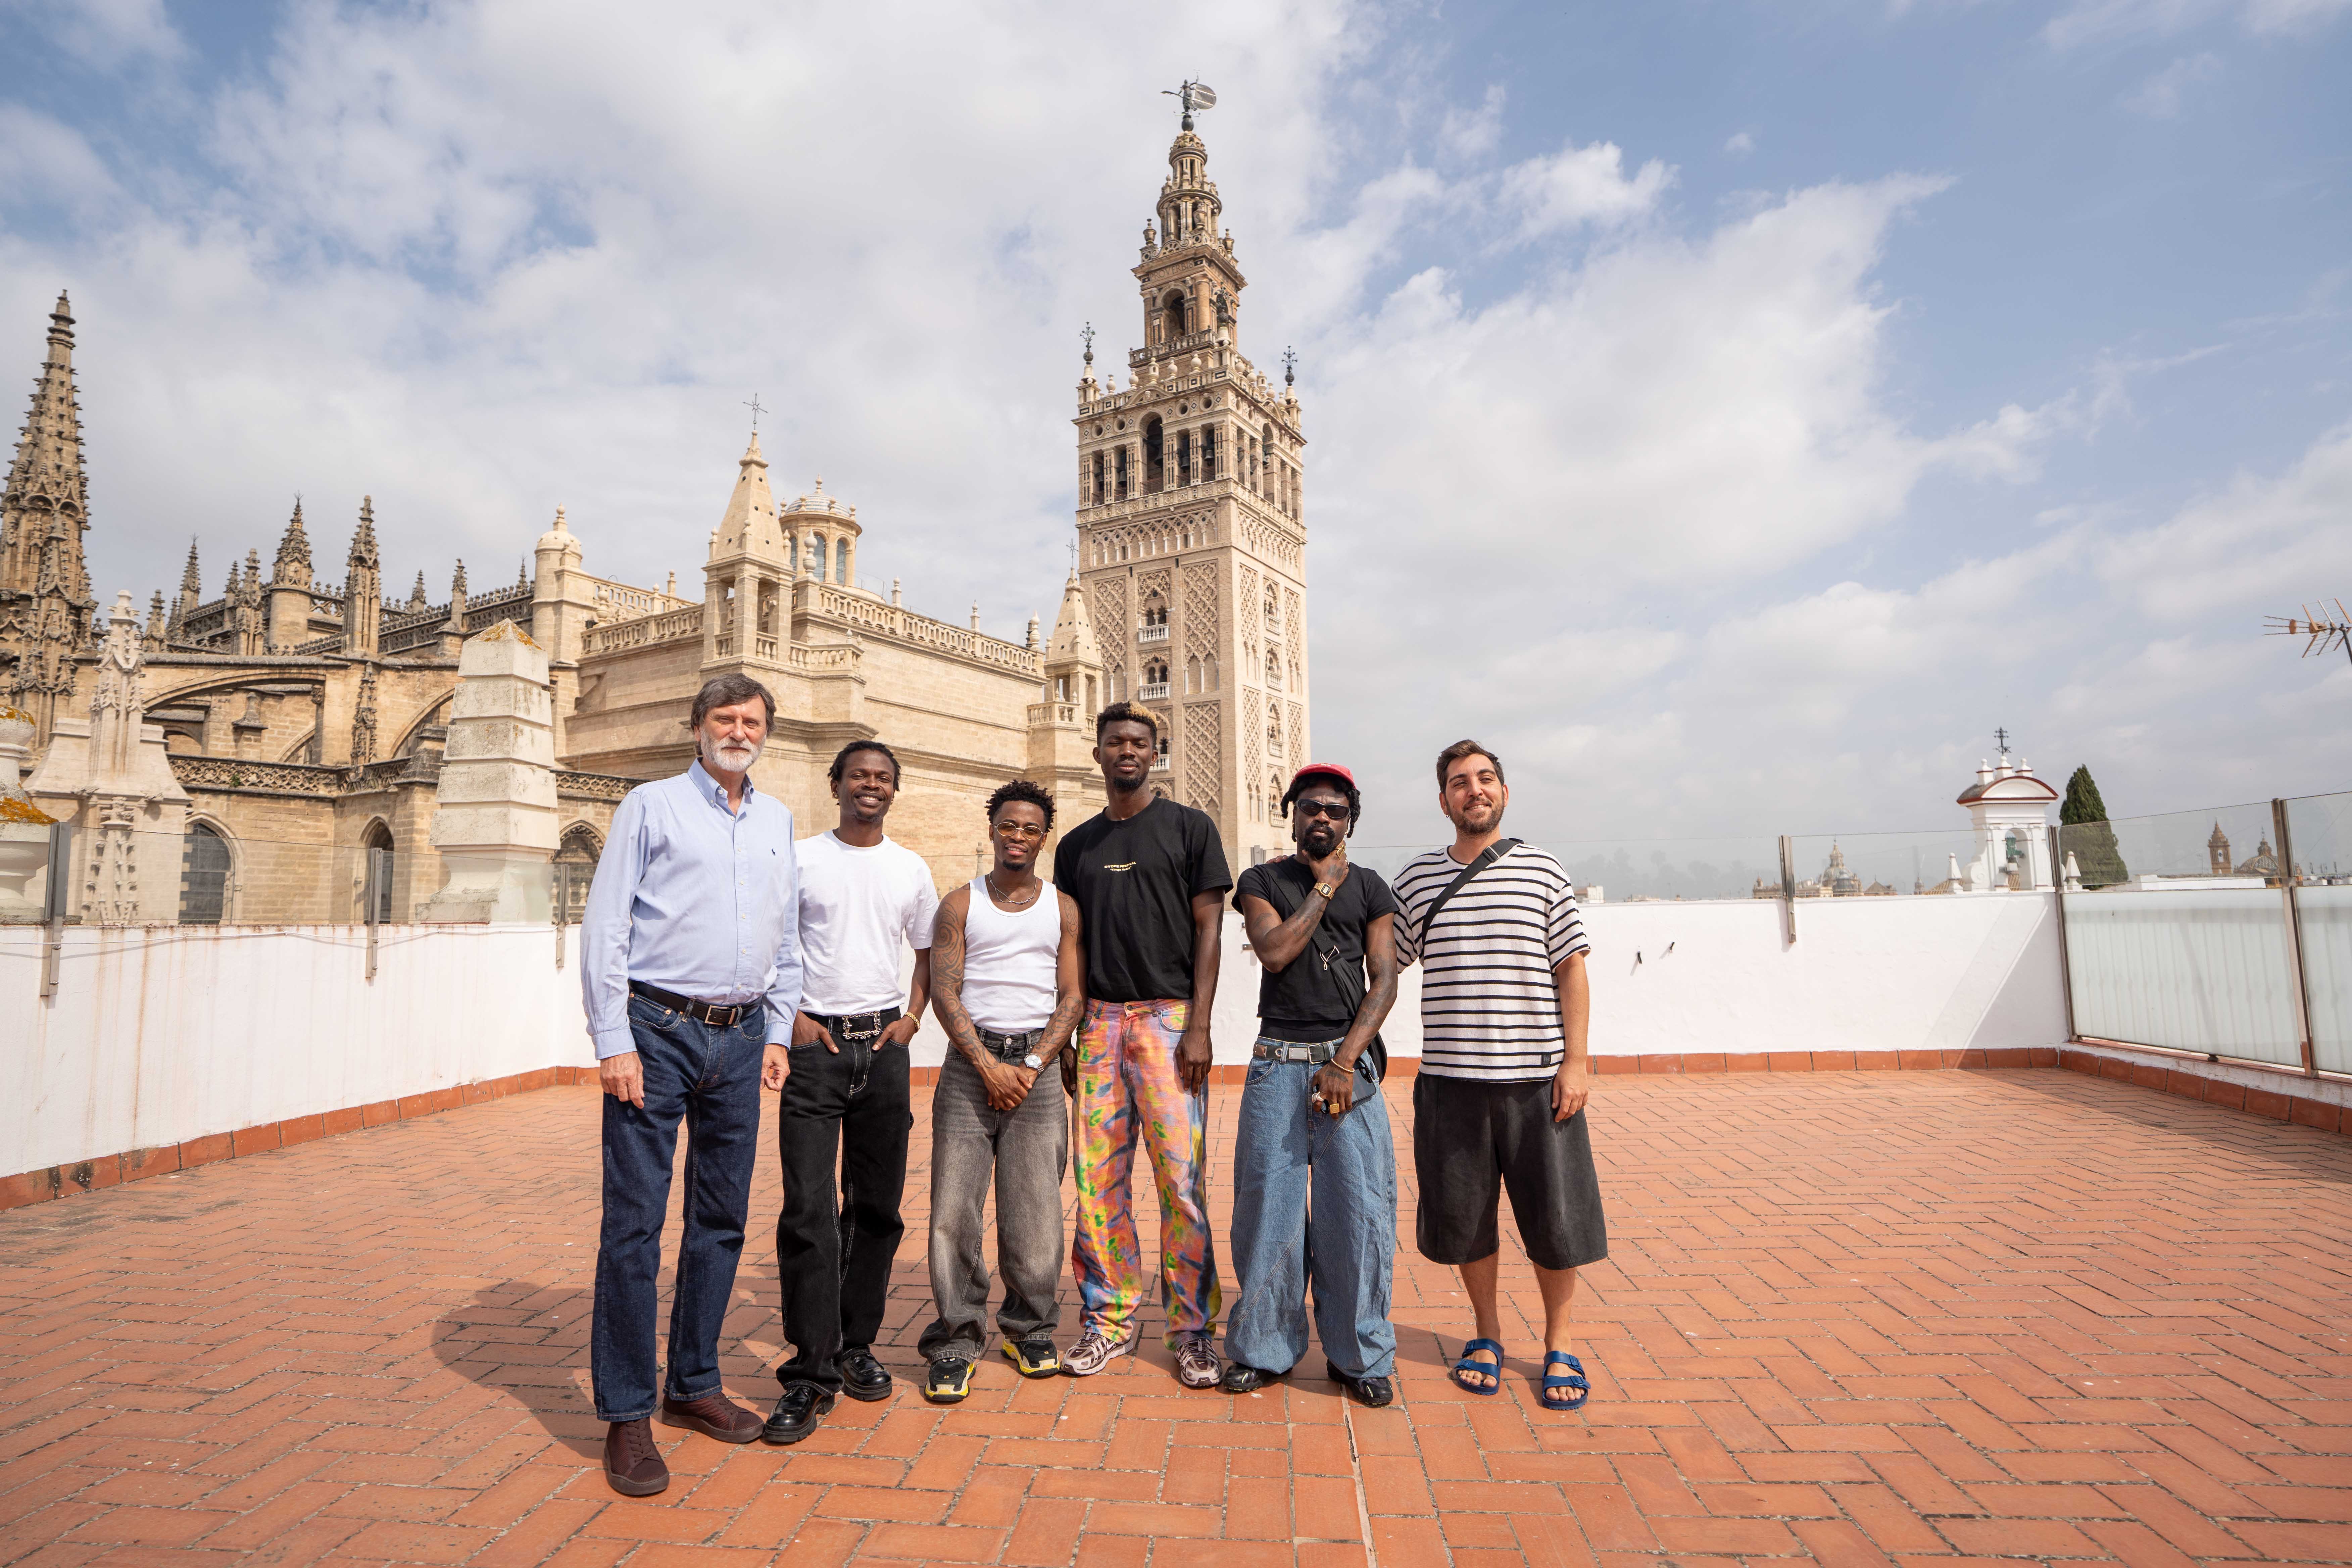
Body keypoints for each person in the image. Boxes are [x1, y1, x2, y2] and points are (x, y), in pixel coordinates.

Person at [580, 674, 802, 1497]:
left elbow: (787, 934)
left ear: (765, 732)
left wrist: (777, 1030)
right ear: (698, 726)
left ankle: (694, 1380)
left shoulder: (778, 819)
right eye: (725, 718)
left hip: (742, 1037)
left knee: (720, 1218)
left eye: (752, 721)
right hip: (657, 1030)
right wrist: (612, 1040)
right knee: (635, 1225)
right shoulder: (651, 806)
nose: (739, 731)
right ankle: (627, 1410)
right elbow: (607, 923)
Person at [1391, 738, 1606, 1413]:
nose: (1474, 790)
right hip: (1450, 1084)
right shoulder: (1416, 880)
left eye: (1485, 779)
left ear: (1504, 793)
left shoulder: (1542, 870)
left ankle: (1560, 1343)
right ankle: (1486, 1333)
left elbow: (1571, 968)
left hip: (1538, 1083)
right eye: (1460, 782)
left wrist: (1577, 1061)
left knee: (1556, 1222)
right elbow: (1384, 963)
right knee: (1465, 1221)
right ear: (1444, 801)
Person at [1052, 702, 1231, 1386]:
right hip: (1099, 1024)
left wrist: (1200, 1025)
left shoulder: (1190, 828)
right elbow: (1070, 945)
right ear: (1097, 753)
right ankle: (1108, 1322)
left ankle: (1191, 1331)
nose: (1127, 750)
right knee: (1098, 1183)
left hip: (1168, 1021)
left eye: (1139, 742)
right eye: (1115, 742)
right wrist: (1069, 1033)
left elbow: (1210, 930)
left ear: (1155, 753)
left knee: (1181, 1184)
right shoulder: (1077, 846)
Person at [764, 740, 937, 1444]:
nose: (872, 785)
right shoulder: (801, 857)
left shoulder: (910, 867)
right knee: (808, 1210)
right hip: (817, 1050)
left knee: (876, 1208)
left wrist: (913, 1018)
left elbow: (928, 954)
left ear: (895, 790)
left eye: (884, 777)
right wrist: (791, 1020)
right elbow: (769, 943)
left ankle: (855, 1344)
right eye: (859, 775)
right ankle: (810, 1370)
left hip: (884, 1047)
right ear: (835, 785)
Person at [1223, 764, 1403, 1407]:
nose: (1322, 817)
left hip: (1345, 1068)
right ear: (1292, 813)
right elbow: (1274, 951)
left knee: (1357, 1213)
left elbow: (1385, 980)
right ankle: (1263, 1350)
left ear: (1351, 819)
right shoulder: (1262, 881)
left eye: (1335, 809)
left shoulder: (1373, 888)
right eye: (1310, 807)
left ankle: (1359, 1357)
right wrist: (1324, 888)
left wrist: (1346, 1062)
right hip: (1277, 1064)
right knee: (1267, 1211)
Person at [918, 779, 1085, 1402]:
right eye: (1008, 826)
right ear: (992, 830)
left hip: (1036, 1068)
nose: (1018, 837)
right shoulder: (960, 904)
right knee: (954, 1208)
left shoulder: (1063, 908)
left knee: (1036, 1209)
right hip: (970, 1066)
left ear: (1044, 838)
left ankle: (1029, 1328)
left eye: (1030, 829)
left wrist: (1035, 1063)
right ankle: (957, 1336)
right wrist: (987, 1065)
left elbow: (1072, 995)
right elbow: (945, 991)